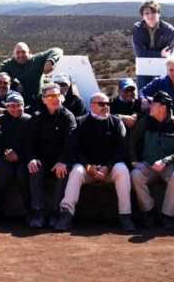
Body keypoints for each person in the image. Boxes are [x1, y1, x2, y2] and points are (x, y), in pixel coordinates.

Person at [54, 92, 133, 232]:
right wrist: (88, 166)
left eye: (108, 103)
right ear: (92, 105)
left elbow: (122, 150)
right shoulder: (80, 122)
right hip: (87, 170)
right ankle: (66, 215)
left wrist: (108, 167)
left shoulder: (116, 122)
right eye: (101, 104)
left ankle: (125, 215)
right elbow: (74, 149)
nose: (106, 106)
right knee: (76, 171)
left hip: (109, 170)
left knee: (122, 169)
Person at [128, 91, 174, 230]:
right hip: (148, 165)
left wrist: (165, 161)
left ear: (163, 107)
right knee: (135, 175)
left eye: (154, 104)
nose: (151, 107)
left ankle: (168, 216)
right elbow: (131, 143)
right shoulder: (145, 121)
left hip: (168, 166)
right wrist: (134, 161)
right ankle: (148, 211)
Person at [24, 83, 76, 228]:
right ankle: (38, 212)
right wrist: (31, 158)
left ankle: (55, 212)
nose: (55, 98)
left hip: (61, 160)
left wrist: (63, 161)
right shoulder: (37, 116)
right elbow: (29, 141)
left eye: (58, 95)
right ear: (44, 99)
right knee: (34, 169)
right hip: (42, 159)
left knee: (62, 173)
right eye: (51, 96)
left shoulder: (68, 117)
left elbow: (71, 143)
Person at [0, 92, 32, 220]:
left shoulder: (29, 120)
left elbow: (32, 144)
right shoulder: (0, 120)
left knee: (22, 174)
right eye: (11, 106)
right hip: (4, 156)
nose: (15, 109)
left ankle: (29, 209)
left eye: (18, 105)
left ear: (23, 106)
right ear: (7, 107)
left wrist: (19, 156)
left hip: (24, 157)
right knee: (4, 173)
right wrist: (5, 153)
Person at [0, 42, 63, 109]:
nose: (21, 55)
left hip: (37, 100)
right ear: (13, 54)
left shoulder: (36, 60)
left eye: (23, 52)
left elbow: (57, 50)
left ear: (29, 52)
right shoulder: (8, 64)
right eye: (18, 52)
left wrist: (51, 61)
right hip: (17, 104)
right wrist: (13, 80)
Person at [132, 0, 174, 91]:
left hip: (162, 66)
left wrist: (149, 53)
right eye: (146, 13)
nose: (150, 16)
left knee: (162, 94)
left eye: (153, 12)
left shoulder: (169, 30)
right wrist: (159, 54)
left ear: (159, 14)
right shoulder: (137, 28)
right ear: (142, 16)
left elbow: (168, 54)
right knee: (144, 93)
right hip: (144, 66)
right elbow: (139, 53)